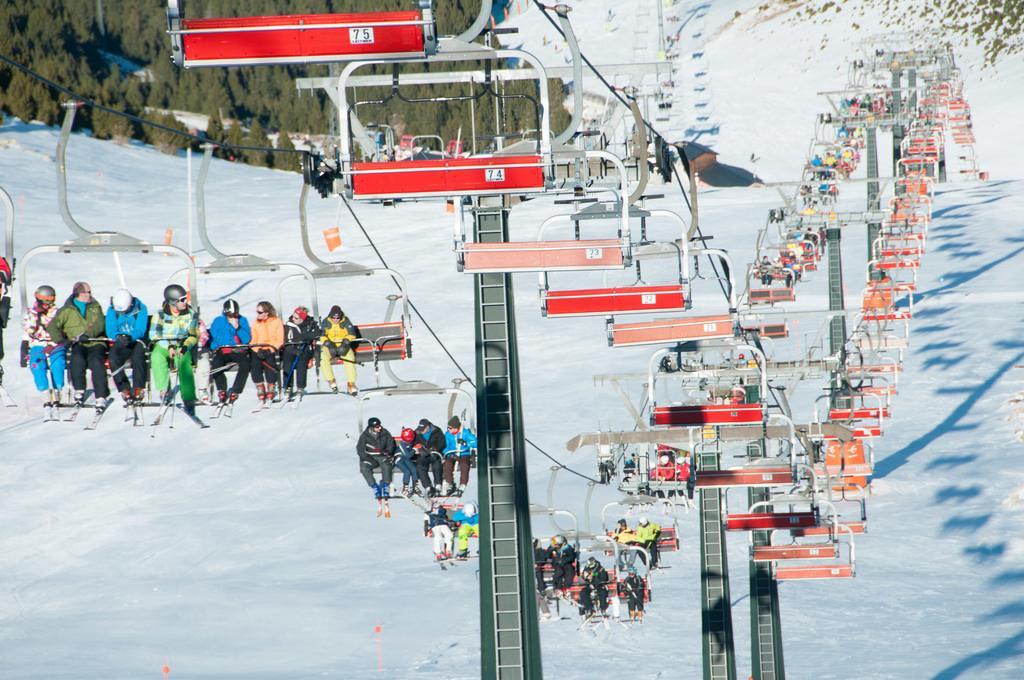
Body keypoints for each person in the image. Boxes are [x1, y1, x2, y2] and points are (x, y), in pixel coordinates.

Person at [46, 281, 108, 406]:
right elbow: (52, 327)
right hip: (77, 343)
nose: (91, 294)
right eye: (88, 292)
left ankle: (101, 394)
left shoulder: (95, 307)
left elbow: (100, 324)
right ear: (80, 294)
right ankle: (79, 388)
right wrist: (61, 340)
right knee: (77, 359)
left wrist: (89, 335)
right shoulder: (67, 310)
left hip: (95, 342)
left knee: (96, 361)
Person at [149, 284, 200, 415]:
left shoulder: (191, 314)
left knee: (184, 362)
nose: (185, 302)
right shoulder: (160, 315)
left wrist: (185, 346)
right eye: (182, 300)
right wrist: (168, 346)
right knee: (156, 357)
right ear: (173, 302)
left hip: (181, 345)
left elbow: (194, 335)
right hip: (164, 345)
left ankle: (188, 397)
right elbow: (154, 334)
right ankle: (164, 390)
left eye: (185, 299)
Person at [21, 285, 65, 404]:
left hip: (54, 344)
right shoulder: (31, 313)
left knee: (57, 363)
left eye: (49, 301)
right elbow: (28, 330)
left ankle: (58, 389)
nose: (46, 304)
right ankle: (45, 391)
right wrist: (36, 318)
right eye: (44, 301)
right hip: (38, 344)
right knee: (36, 364)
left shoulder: (58, 313)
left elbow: (62, 328)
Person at [105, 288, 149, 404]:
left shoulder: (140, 308)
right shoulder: (112, 310)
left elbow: (140, 328)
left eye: (124, 311)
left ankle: (138, 387)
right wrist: (117, 336)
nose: (122, 314)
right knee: (113, 357)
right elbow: (110, 327)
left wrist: (131, 337)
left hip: (137, 339)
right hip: (121, 340)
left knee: (138, 356)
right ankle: (124, 388)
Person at [209, 299, 251, 404]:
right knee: (216, 364)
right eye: (230, 314)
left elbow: (246, 339)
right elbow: (217, 337)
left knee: (245, 364)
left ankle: (236, 389)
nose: (232, 317)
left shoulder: (242, 320)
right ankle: (222, 388)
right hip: (223, 350)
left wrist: (238, 328)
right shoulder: (218, 321)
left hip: (237, 350)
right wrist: (230, 330)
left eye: (235, 314)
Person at [319, 305, 358, 395]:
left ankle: (351, 383)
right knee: (323, 357)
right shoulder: (326, 322)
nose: (336, 320)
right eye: (333, 318)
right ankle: (331, 380)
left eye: (338, 318)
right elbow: (322, 335)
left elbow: (351, 334)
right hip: (330, 344)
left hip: (342, 344)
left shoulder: (345, 321)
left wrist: (345, 343)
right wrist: (328, 344)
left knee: (350, 358)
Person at [250, 301, 284, 405]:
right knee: (255, 364)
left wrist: (271, 349)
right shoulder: (256, 323)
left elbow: (280, 339)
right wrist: (257, 349)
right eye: (257, 312)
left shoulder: (276, 322)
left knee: (270, 362)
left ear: (267, 312)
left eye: (260, 312)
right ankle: (260, 386)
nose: (258, 314)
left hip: (272, 348)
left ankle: (271, 386)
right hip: (259, 348)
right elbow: (253, 340)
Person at [281, 306, 317, 397]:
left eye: (296, 318)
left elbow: (317, 333)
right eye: (293, 316)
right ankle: (288, 386)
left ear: (302, 319)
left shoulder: (310, 324)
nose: (293, 319)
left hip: (304, 348)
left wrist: (305, 337)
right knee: (287, 359)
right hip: (291, 348)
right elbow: (287, 339)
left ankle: (300, 387)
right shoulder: (290, 324)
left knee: (302, 360)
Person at [356, 416, 396, 499]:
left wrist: (388, 452)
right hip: (369, 456)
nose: (379, 428)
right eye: (377, 427)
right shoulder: (365, 436)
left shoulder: (385, 433)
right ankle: (374, 486)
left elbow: (390, 444)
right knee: (364, 468)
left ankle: (385, 485)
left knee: (387, 465)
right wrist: (368, 459)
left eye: (380, 426)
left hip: (381, 455)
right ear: (372, 428)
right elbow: (360, 450)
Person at [442, 415, 478, 497]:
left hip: (463, 453)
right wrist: (448, 453)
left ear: (455, 428)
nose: (449, 430)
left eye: (450, 428)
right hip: (452, 453)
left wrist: (465, 443)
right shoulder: (447, 435)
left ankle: (462, 484)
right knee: (447, 464)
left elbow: (475, 443)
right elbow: (445, 446)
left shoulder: (465, 433)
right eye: (448, 428)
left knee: (464, 465)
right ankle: (450, 483)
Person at [415, 418, 446, 497]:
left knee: (437, 465)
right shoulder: (417, 432)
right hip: (424, 454)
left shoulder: (437, 431)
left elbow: (442, 443)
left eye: (423, 429)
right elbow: (415, 443)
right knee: (420, 465)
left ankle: (438, 485)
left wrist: (435, 448)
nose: (421, 431)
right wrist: (421, 449)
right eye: (420, 429)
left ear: (428, 427)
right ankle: (427, 486)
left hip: (434, 454)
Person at [395, 426, 422, 496]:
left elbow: (409, 453)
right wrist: (414, 449)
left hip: (406, 459)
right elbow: (408, 455)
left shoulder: (409, 442)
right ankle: (405, 488)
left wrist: (415, 451)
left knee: (414, 469)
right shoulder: (402, 444)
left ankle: (415, 487)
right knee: (407, 471)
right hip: (399, 458)